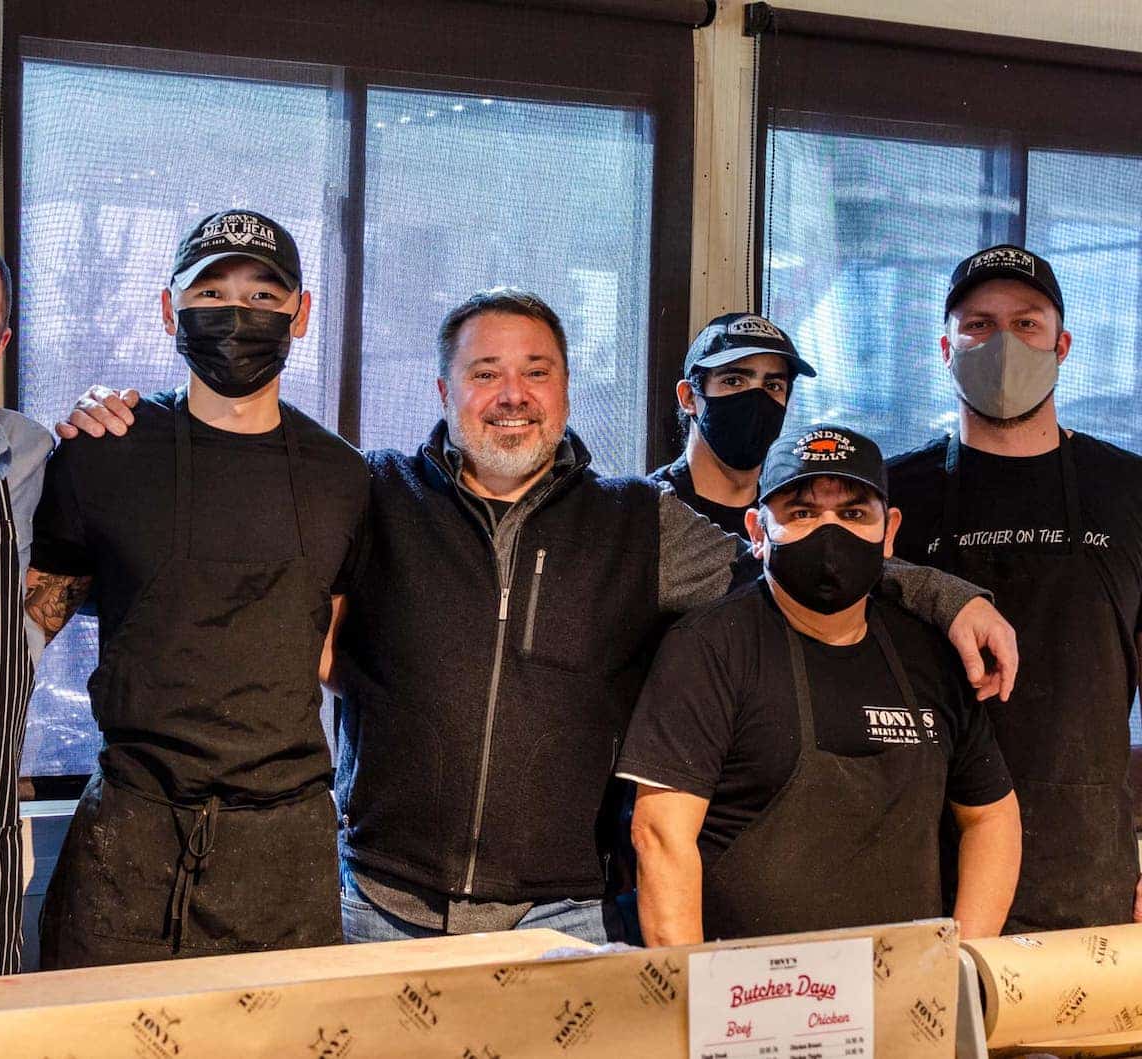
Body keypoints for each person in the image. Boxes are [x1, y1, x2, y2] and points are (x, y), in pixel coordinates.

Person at [64, 287, 1018, 946]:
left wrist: (944, 591)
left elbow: (803, 563)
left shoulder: (638, 522)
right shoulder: (374, 495)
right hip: (371, 903)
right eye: (484, 372)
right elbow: (257, 534)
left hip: (559, 921)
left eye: (536, 371)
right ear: (444, 391)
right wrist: (131, 420)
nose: (511, 394)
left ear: (565, 390)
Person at [26, 210, 370, 967]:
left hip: (286, 859)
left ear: (301, 314)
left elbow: (340, 657)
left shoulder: (347, 480)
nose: (236, 314)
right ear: (168, 308)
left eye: (262, 296)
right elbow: (16, 634)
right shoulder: (104, 453)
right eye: (209, 292)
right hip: (127, 846)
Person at [621, 424, 1021, 943]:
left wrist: (962, 961)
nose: (830, 533)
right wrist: (697, 998)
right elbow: (661, 836)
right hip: (749, 1002)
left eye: (854, 514)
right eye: (802, 513)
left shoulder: (929, 655)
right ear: (758, 532)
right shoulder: (709, 648)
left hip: (905, 1002)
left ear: (890, 531)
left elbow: (992, 818)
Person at [886, 244, 1142, 932]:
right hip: (922, 869)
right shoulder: (890, 494)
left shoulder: (1128, 491)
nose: (1002, 342)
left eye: (1026, 324)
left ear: (1061, 345)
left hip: (1088, 872)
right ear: (945, 347)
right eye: (978, 326)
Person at [650, 312, 814, 536]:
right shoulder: (650, 511)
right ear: (689, 397)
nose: (756, 399)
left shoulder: (791, 518)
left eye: (773, 385)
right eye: (734, 381)